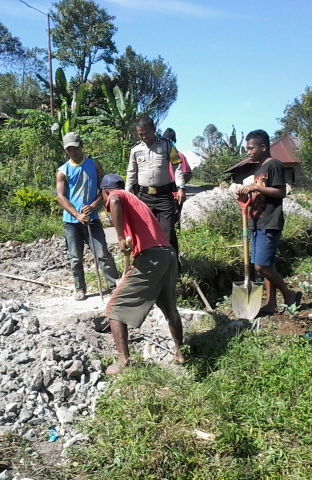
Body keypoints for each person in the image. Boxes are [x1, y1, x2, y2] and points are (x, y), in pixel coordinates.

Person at [100, 173, 185, 375]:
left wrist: (120, 237)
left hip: (152, 258)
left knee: (114, 308)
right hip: (167, 254)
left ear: (105, 191)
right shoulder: (136, 200)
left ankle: (124, 362)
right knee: (169, 308)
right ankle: (180, 354)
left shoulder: (116, 195)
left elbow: (114, 198)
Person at [237, 129, 302, 315]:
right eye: (247, 148)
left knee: (261, 266)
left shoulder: (274, 165)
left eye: (251, 148)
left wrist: (256, 186)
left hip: (270, 221)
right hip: (257, 221)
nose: (249, 152)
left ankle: (289, 294)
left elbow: (281, 192)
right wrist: (246, 194)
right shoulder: (259, 169)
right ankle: (271, 303)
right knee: (267, 265)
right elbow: (260, 193)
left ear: (263, 147)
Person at [56, 132, 119, 301]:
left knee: (102, 254)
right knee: (75, 257)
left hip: (92, 219)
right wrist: (76, 214)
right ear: (66, 150)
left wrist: (93, 206)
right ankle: (80, 288)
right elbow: (61, 197)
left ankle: (114, 286)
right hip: (72, 221)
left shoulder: (94, 165)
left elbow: (104, 190)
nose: (73, 152)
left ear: (81, 146)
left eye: (75, 148)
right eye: (69, 149)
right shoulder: (62, 171)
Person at [125, 117, 186, 258]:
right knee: (146, 233)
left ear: (154, 129)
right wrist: (128, 195)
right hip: (144, 197)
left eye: (146, 133)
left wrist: (181, 187)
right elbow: (131, 173)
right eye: (140, 134)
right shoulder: (135, 150)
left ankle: (173, 267)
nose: (144, 137)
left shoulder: (167, 145)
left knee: (168, 232)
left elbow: (177, 167)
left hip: (164, 196)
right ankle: (152, 266)